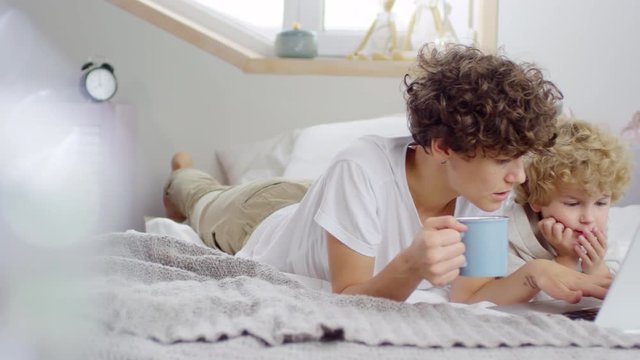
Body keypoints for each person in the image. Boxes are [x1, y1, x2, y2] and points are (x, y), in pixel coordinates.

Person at [163, 44, 605, 302]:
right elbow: (350, 297)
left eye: (522, 159)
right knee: (202, 199)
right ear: (443, 147)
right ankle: (184, 171)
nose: (520, 178)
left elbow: (468, 296)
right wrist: (411, 264)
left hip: (327, 210)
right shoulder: (360, 167)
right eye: (505, 160)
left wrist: (536, 276)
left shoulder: (484, 189)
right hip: (261, 214)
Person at [450, 119, 632, 305]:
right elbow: (532, 301)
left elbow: (615, 289)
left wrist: (596, 267)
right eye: (572, 204)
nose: (589, 218)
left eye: (601, 203)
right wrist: (566, 259)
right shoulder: (510, 233)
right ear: (537, 199)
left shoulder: (597, 232)